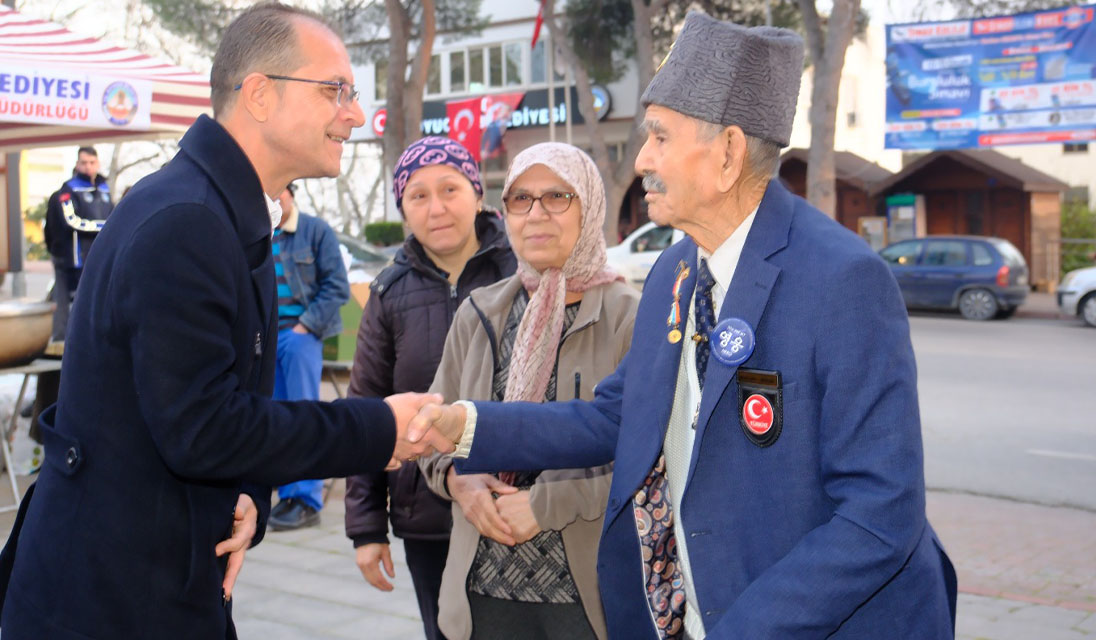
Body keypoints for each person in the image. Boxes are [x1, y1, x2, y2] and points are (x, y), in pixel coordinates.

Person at [406, 12, 957, 640]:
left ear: (728, 153)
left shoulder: (841, 281)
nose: (642, 160)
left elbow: (880, 516)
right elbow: (612, 417)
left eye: (660, 138)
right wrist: (465, 425)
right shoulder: (676, 268)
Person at [0, 5, 440, 638]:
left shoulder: (223, 211)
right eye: (336, 90)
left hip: (163, 575)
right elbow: (203, 428)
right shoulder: (187, 220)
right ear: (258, 94)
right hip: (107, 598)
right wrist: (379, 426)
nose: (355, 114)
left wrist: (246, 490)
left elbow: (209, 400)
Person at [418, 142, 639, 640]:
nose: (536, 214)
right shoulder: (480, 314)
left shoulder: (631, 317)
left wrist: (548, 504)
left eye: (558, 196)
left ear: (591, 207)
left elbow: (654, 460)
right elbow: (431, 435)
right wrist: (459, 483)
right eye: (521, 199)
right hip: (483, 593)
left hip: (585, 600)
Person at [344, 136, 518, 640]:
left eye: (449, 189)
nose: (436, 208)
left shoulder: (520, 269)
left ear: (477, 194)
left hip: (516, 503)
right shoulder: (389, 292)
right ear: (402, 208)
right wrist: (366, 527)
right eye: (418, 196)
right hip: (428, 513)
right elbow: (366, 408)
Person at [268, 182, 351, 531]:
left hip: (301, 333)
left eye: (277, 195)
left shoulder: (315, 231)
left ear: (290, 193)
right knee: (268, 415)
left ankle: (305, 499)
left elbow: (337, 286)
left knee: (302, 412)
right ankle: (281, 493)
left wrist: (305, 326)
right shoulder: (258, 231)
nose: (272, 202)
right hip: (265, 337)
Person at [43, 145, 114, 340]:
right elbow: (71, 221)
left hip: (97, 256)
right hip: (71, 257)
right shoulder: (68, 190)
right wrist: (104, 226)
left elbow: (114, 215)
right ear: (77, 164)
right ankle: (61, 339)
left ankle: (93, 338)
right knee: (64, 300)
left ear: (97, 163)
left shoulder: (104, 189)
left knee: (97, 299)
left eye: (92, 163)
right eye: (84, 163)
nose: (88, 167)